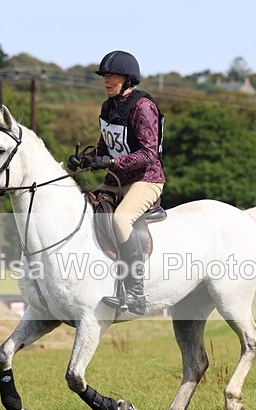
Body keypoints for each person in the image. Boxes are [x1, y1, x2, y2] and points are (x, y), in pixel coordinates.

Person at [68, 50, 165, 315]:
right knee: (84, 209)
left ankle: (136, 293)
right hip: (116, 179)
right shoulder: (107, 106)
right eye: (104, 76)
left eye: (112, 76)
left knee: (121, 219)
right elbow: (104, 148)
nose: (106, 81)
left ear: (127, 78)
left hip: (146, 179)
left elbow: (148, 154)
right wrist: (86, 160)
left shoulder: (143, 107)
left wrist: (111, 164)